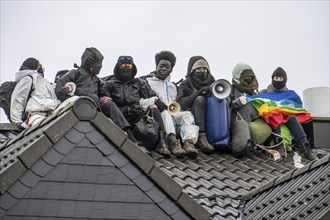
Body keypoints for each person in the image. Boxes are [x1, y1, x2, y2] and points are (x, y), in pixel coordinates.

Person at [102, 55, 171, 157]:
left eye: (128, 66)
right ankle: (133, 141)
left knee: (154, 109)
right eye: (123, 66)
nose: (126, 69)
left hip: (137, 115)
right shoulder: (109, 84)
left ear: (132, 67)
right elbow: (103, 98)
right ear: (118, 67)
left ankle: (162, 143)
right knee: (110, 105)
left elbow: (151, 95)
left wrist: (157, 104)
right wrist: (103, 99)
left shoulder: (139, 83)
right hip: (120, 116)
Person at [54, 47, 131, 136]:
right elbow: (59, 89)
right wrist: (74, 100)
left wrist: (103, 98)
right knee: (92, 97)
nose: (100, 67)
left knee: (110, 105)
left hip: (96, 106)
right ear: (90, 65)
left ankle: (127, 131)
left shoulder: (96, 79)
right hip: (79, 106)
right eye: (98, 65)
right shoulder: (75, 73)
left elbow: (103, 91)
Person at [145, 51, 200, 158]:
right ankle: (173, 142)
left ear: (171, 70)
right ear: (156, 67)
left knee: (187, 115)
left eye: (167, 67)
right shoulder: (147, 82)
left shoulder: (173, 86)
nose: (164, 69)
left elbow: (179, 105)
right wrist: (155, 101)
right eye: (161, 66)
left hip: (173, 116)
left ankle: (189, 142)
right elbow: (143, 101)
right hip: (157, 119)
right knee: (165, 113)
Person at [259, 67, 318, 160]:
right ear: (272, 78)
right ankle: (278, 145)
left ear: (285, 80)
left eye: (281, 79)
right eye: (276, 78)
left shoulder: (290, 95)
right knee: (276, 115)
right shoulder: (264, 93)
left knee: (293, 118)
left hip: (286, 117)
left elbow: (297, 107)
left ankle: (306, 148)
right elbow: (257, 104)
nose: (278, 80)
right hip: (270, 119)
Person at [176, 56, 215, 154]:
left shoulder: (213, 83)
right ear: (192, 71)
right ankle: (202, 136)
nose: (202, 71)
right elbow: (181, 105)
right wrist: (198, 93)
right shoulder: (185, 85)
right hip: (191, 118)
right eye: (198, 69)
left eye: (204, 69)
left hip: (211, 116)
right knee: (200, 99)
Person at [11, 57, 61, 128]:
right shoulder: (28, 79)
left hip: (53, 113)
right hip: (36, 115)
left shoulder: (45, 83)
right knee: (46, 128)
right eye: (40, 67)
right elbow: (18, 99)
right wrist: (17, 120)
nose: (42, 70)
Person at [229, 62, 260, 155]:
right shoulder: (230, 91)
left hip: (253, 125)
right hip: (236, 125)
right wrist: (236, 103)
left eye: (251, 78)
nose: (249, 80)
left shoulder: (254, 94)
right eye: (245, 78)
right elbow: (225, 108)